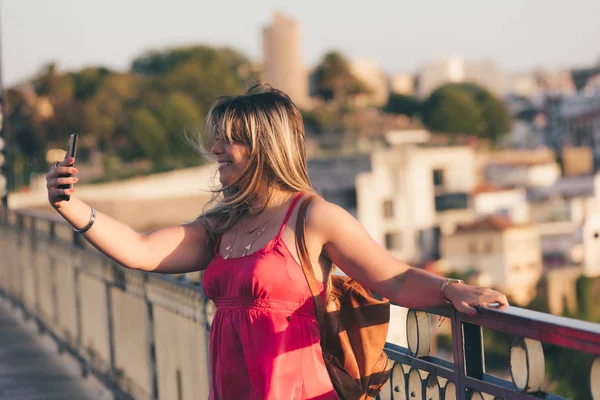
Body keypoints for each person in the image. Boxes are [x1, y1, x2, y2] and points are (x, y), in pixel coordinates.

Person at [46, 85, 508, 400]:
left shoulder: (314, 217)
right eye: (216, 139)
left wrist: (450, 289)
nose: (215, 150)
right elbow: (141, 250)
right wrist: (69, 205)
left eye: (229, 140)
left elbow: (395, 279)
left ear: (265, 145)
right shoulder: (221, 224)